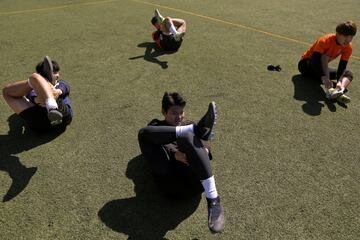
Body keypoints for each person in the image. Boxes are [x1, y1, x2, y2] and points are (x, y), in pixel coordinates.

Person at [138, 92, 225, 233]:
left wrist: (204, 151)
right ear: (163, 111)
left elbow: (205, 145)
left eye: (181, 112)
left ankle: (213, 199)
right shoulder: (156, 125)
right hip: (170, 182)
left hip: (194, 181)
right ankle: (194, 131)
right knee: (145, 133)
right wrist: (175, 154)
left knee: (189, 136)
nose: (179, 117)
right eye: (174, 113)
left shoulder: (188, 124)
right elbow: (160, 147)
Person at [2, 56, 73, 131]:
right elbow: (31, 96)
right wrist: (38, 100)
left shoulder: (61, 83)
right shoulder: (32, 90)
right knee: (7, 91)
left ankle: (51, 106)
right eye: (54, 72)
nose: (58, 75)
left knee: (35, 78)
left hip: (61, 114)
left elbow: (65, 87)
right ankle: (50, 104)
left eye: (57, 72)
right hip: (41, 122)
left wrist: (57, 92)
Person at [298, 20, 357, 104]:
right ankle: (330, 89)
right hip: (306, 65)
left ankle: (338, 91)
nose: (348, 40)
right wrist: (324, 77)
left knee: (348, 73)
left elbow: (342, 67)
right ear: (338, 34)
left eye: (351, 37)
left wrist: (339, 82)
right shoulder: (325, 40)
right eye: (346, 37)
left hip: (320, 69)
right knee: (324, 57)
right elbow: (315, 61)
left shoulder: (348, 47)